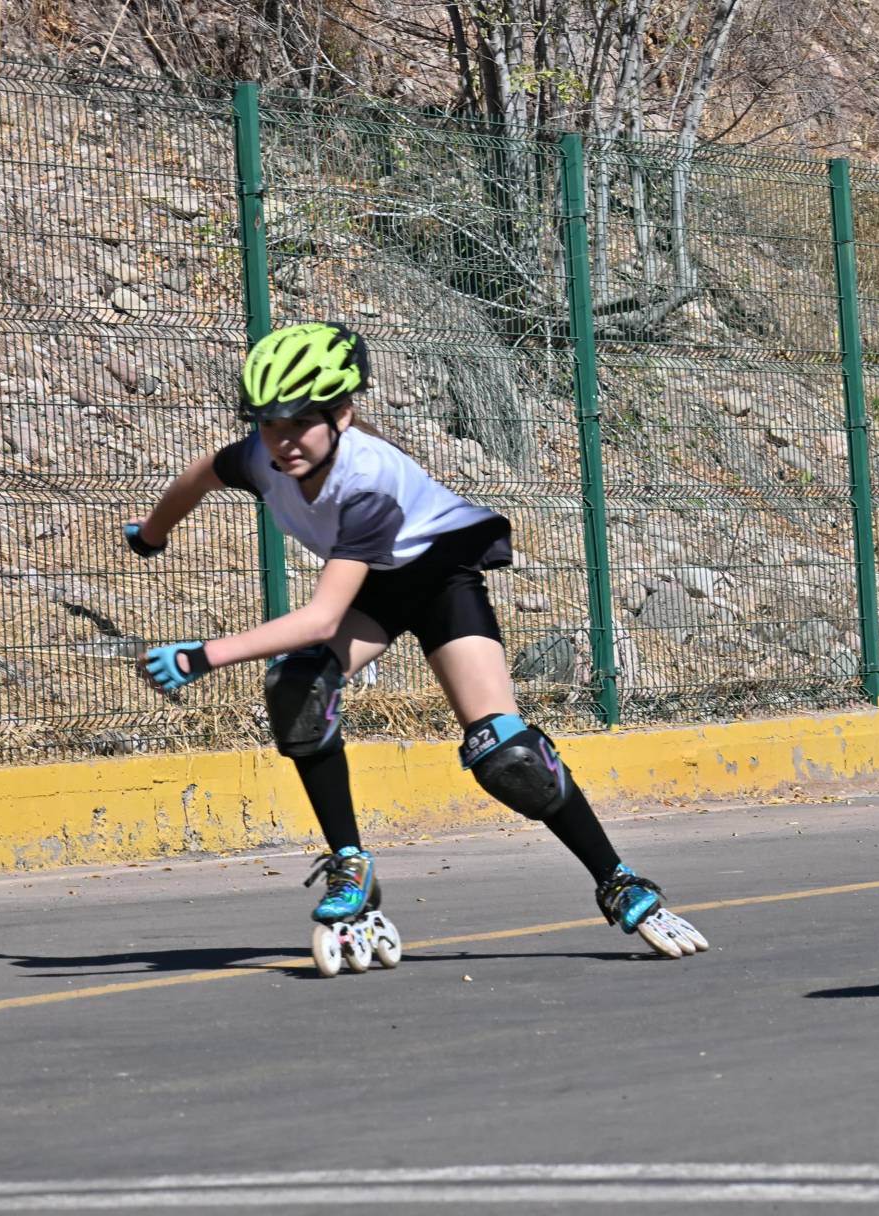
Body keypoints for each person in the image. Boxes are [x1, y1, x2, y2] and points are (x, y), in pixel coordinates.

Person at [124, 321, 707, 966]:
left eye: (299, 422)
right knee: (298, 688)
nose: (282, 441)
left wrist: (200, 655)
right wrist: (152, 533)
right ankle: (351, 865)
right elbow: (201, 474)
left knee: (504, 753)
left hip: (437, 582)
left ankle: (620, 882)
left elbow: (321, 619)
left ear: (343, 413)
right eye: (267, 423)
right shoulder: (262, 456)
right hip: (374, 585)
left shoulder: (367, 481)